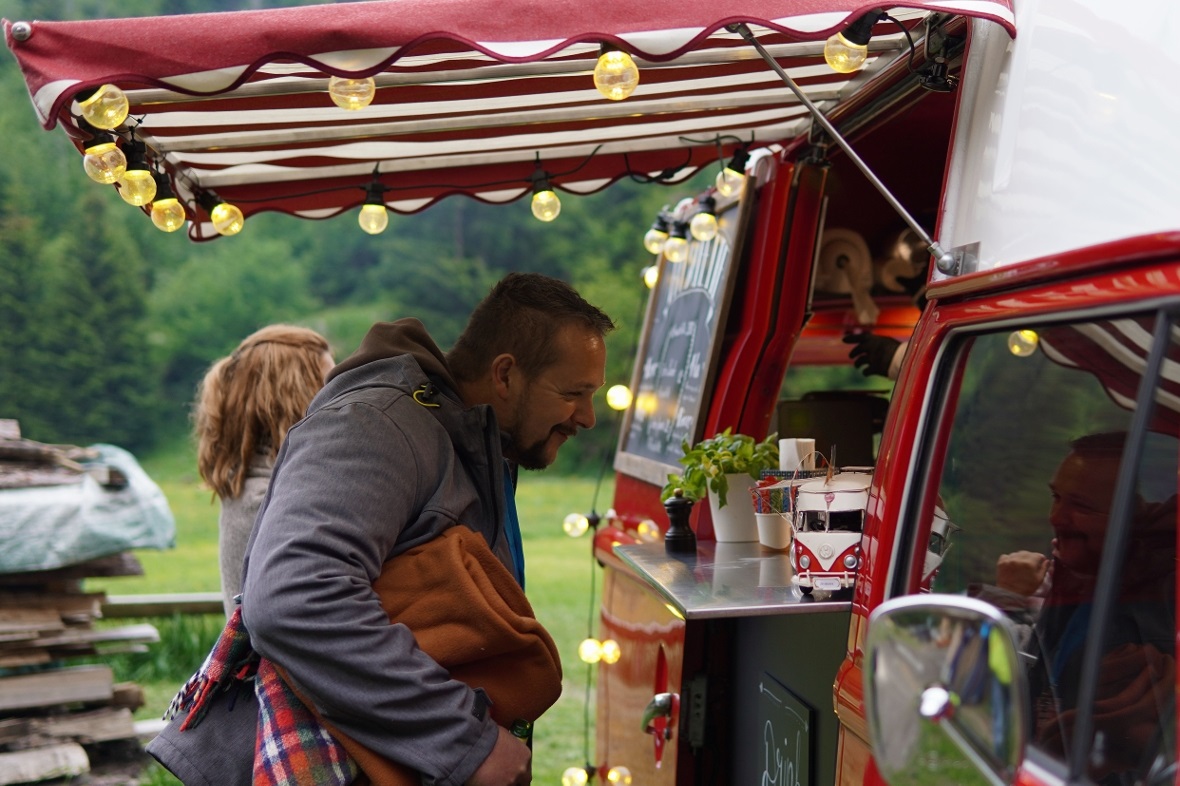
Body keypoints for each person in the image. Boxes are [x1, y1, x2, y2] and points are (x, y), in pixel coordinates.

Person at [153, 273, 614, 786]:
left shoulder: (473, 439)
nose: (590, 417)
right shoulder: (377, 425)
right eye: (574, 393)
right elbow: (294, 597)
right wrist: (464, 742)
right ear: (505, 375)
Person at [974, 432, 1175, 783]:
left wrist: (1007, 603)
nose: (1056, 517)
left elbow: (1117, 767)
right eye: (1056, 497)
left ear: (1132, 519)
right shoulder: (1083, 581)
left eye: (1081, 506)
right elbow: (1039, 685)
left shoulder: (1151, 625)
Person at [192, 324, 334, 618]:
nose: (340, 399)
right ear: (295, 398)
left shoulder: (263, 489)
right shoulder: (270, 501)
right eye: (329, 384)